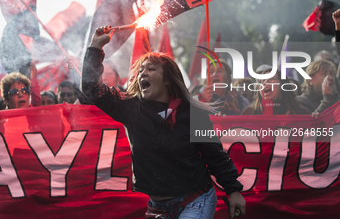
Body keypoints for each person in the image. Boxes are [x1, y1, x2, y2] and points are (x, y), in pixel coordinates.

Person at [81, 26, 246, 219]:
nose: (143, 74)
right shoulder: (129, 107)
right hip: (157, 208)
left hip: (195, 200)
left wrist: (233, 191)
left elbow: (214, 155)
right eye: (140, 70)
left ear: (167, 80)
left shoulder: (193, 113)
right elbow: (90, 89)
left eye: (151, 69)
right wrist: (95, 48)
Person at [242, 69, 309, 115]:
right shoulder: (249, 113)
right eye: (263, 81)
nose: (265, 83)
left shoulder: (301, 113)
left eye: (271, 79)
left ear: (283, 85)